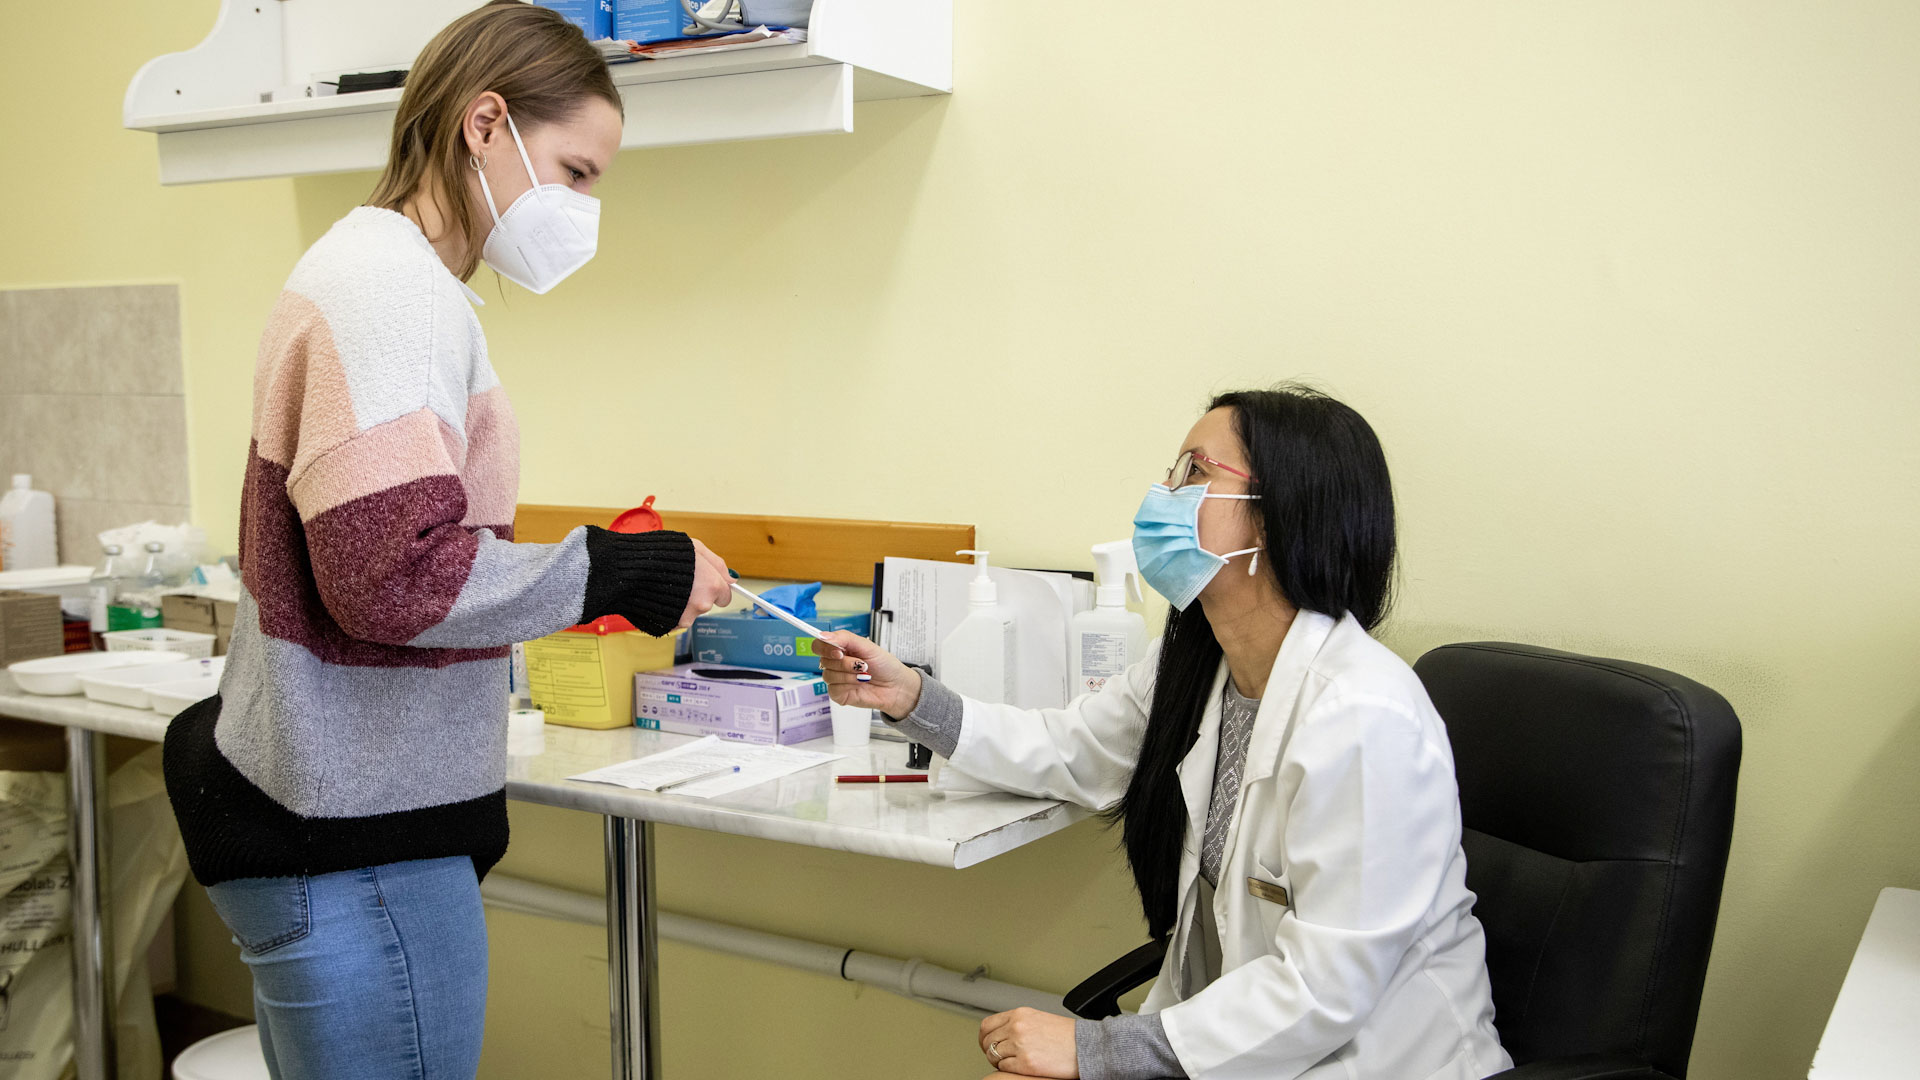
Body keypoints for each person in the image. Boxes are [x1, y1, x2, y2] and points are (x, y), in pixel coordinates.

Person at [160, 4, 733, 1076]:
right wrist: (627, 568)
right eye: (576, 172)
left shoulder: (379, 275)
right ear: (485, 126)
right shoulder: (388, 294)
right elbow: (394, 576)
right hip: (355, 840)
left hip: (327, 810)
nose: (582, 208)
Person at [817, 387, 1512, 1080]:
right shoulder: (1198, 664)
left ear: (1274, 517)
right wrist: (910, 698)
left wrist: (1097, 1049)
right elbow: (1069, 749)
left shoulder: (1364, 715)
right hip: (1258, 1044)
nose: (1163, 494)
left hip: (1378, 1059)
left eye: (1194, 472)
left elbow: (1326, 988)